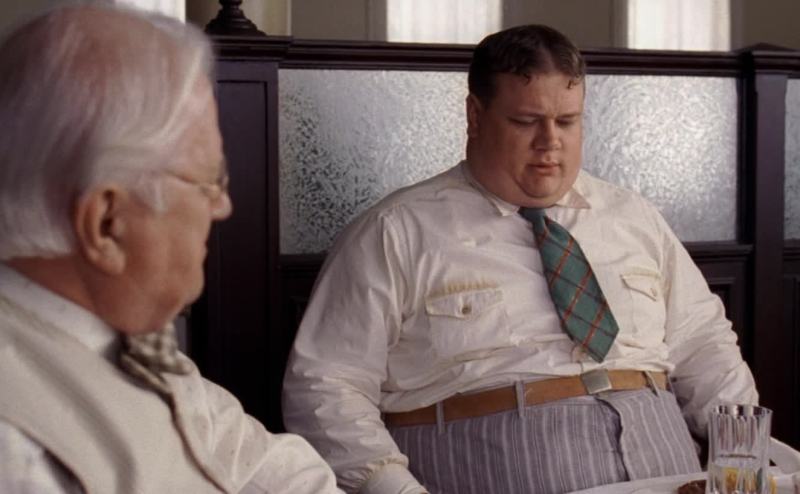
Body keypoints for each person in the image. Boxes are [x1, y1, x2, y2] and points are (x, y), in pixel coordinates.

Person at [282, 24, 760, 494]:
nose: (549, 142)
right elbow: (326, 385)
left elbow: (704, 344)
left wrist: (746, 462)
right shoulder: (397, 231)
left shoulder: (634, 216)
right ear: (475, 116)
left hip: (667, 467)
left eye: (567, 121)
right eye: (526, 121)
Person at [0, 4, 343, 493]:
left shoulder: (117, 334)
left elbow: (268, 467)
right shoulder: (18, 450)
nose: (223, 206)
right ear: (106, 223)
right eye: (208, 182)